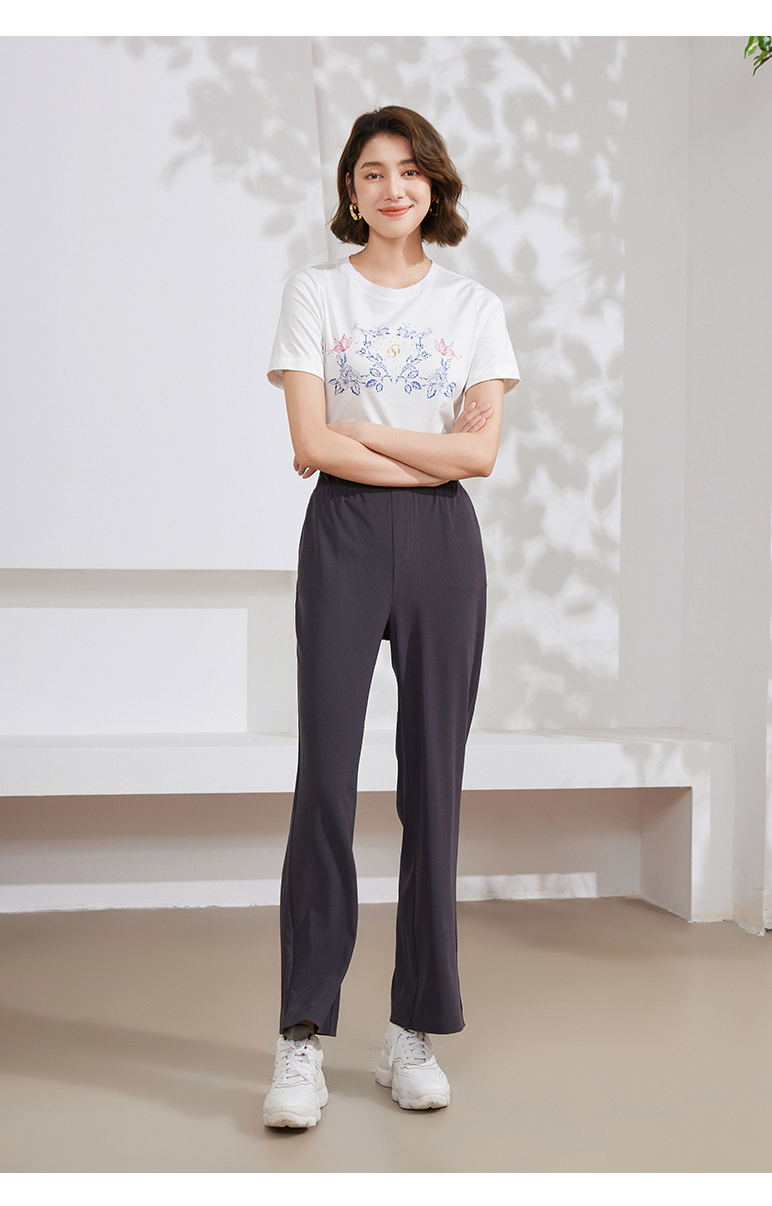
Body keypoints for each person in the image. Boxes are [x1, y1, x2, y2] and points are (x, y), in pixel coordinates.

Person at [262, 105, 520, 1128]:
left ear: (433, 185)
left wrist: (361, 430)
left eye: (408, 170)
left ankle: (412, 1029)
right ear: (351, 190)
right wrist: (418, 447)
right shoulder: (315, 292)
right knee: (324, 782)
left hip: (444, 549)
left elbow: (479, 456)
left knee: (433, 789)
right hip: (344, 536)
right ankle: (300, 1038)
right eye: (371, 172)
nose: (391, 187)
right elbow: (309, 444)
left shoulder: (473, 306)